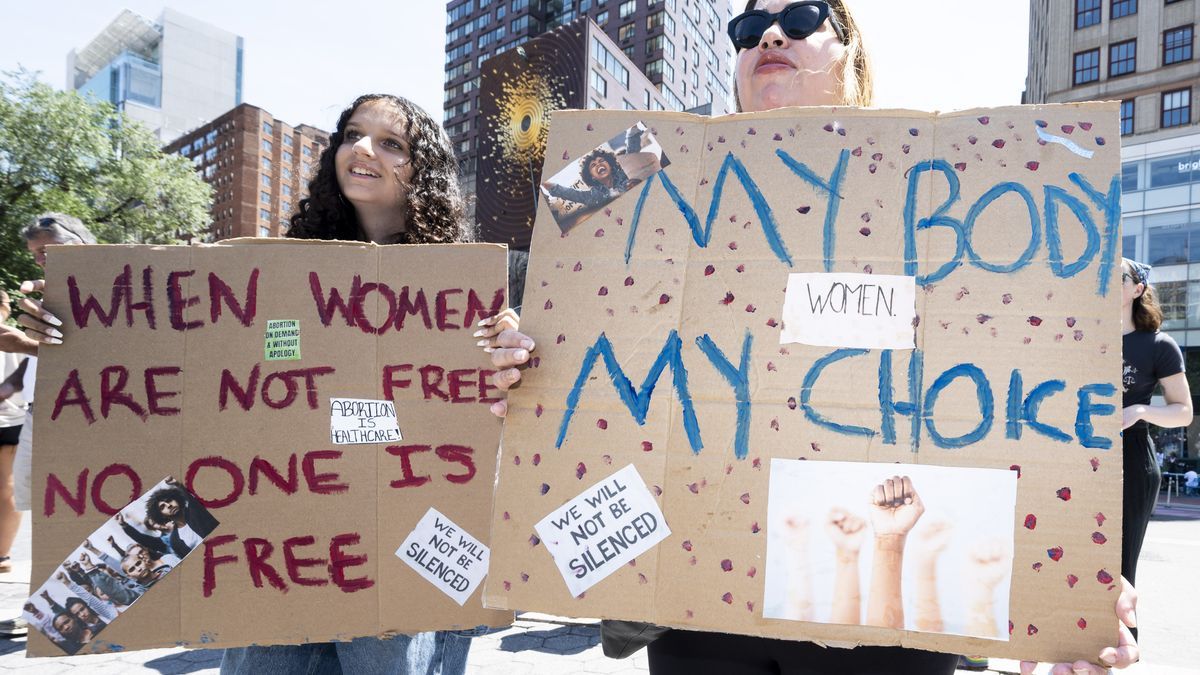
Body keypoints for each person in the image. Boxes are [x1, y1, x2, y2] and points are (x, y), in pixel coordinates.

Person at [478, 1, 1142, 673]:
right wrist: (522, 357)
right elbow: (554, 266)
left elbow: (1014, 391)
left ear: (851, 53)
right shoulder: (640, 157)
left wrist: (1061, 582)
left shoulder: (952, 172)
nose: (767, 35)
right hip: (692, 595)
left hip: (882, 611)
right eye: (745, 30)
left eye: (799, 18)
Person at [220, 93, 480, 675]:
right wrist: (75, 328)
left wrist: (509, 354)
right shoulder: (281, 274)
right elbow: (263, 366)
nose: (362, 150)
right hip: (291, 524)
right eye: (352, 135)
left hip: (406, 531)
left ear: (422, 171)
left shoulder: (463, 293)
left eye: (392, 144)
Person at [0, 213, 95, 640]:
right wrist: (13, 382)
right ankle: (46, 605)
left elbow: (95, 354)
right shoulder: (50, 290)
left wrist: (20, 343)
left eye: (48, 247)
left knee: (64, 513)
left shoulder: (104, 284)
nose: (41, 259)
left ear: (80, 241)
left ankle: (55, 609)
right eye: (36, 254)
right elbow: (42, 358)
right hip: (39, 411)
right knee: (41, 511)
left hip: (74, 415)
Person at [1121, 259, 1191, 587]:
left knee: (1119, 572)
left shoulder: (1159, 345)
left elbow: (1183, 411)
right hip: (1080, 455)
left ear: (1138, 289)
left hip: (1130, 458)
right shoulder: (1081, 335)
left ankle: (1124, 639)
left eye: (1117, 275)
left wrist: (1139, 411)